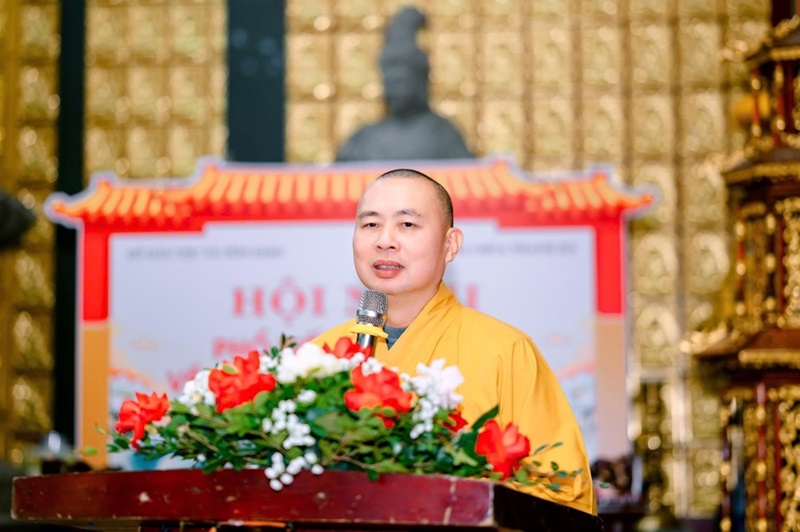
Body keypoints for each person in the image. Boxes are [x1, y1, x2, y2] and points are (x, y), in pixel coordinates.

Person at [312, 168, 596, 514]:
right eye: (370, 224)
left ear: (450, 245)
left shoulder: (504, 352)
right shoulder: (318, 357)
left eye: (407, 224)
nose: (385, 240)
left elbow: (563, 493)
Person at [335, 7, 472, 162]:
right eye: (390, 79)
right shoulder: (365, 139)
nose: (395, 85)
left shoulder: (442, 134)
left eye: (402, 78)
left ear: (420, 79)